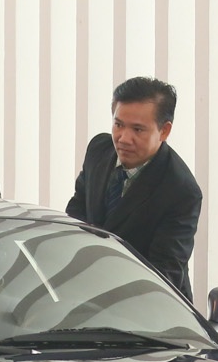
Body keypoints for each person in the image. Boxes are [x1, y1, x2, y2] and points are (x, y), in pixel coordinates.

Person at [66, 76, 202, 300]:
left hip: (143, 301)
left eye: (138, 129)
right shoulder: (99, 149)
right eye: (118, 125)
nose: (124, 139)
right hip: (86, 289)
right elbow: (76, 215)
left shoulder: (181, 190)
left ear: (164, 131)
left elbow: (163, 272)